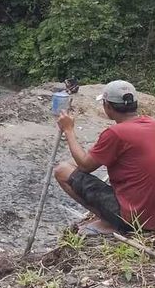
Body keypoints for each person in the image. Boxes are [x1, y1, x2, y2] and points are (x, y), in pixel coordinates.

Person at [54, 80, 155, 235]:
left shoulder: (116, 133)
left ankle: (112, 222)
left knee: (62, 170)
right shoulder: (151, 123)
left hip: (135, 218)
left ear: (107, 106)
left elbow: (85, 166)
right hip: (150, 214)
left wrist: (68, 130)